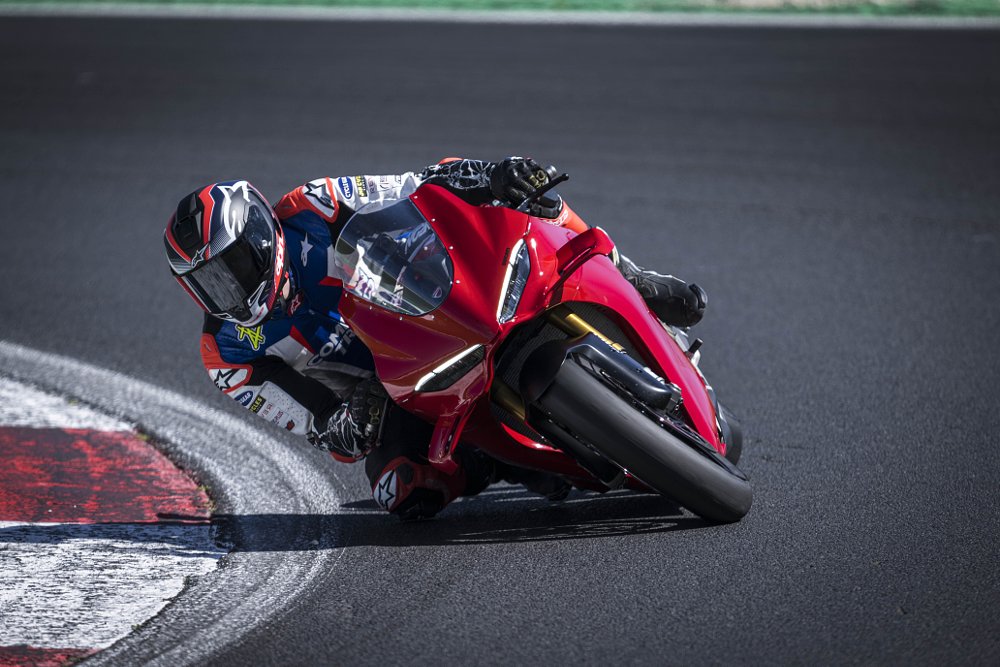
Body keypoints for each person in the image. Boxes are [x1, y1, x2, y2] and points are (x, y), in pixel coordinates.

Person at [163, 157, 707, 520]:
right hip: (395, 388)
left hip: (433, 301)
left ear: (260, 232)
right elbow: (312, 421)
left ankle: (627, 273)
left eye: (231, 266)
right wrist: (343, 427)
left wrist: (490, 177)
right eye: (208, 282)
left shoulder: (315, 204)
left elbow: (416, 186)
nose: (228, 288)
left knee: (519, 192)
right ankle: (490, 462)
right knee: (400, 491)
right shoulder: (228, 355)